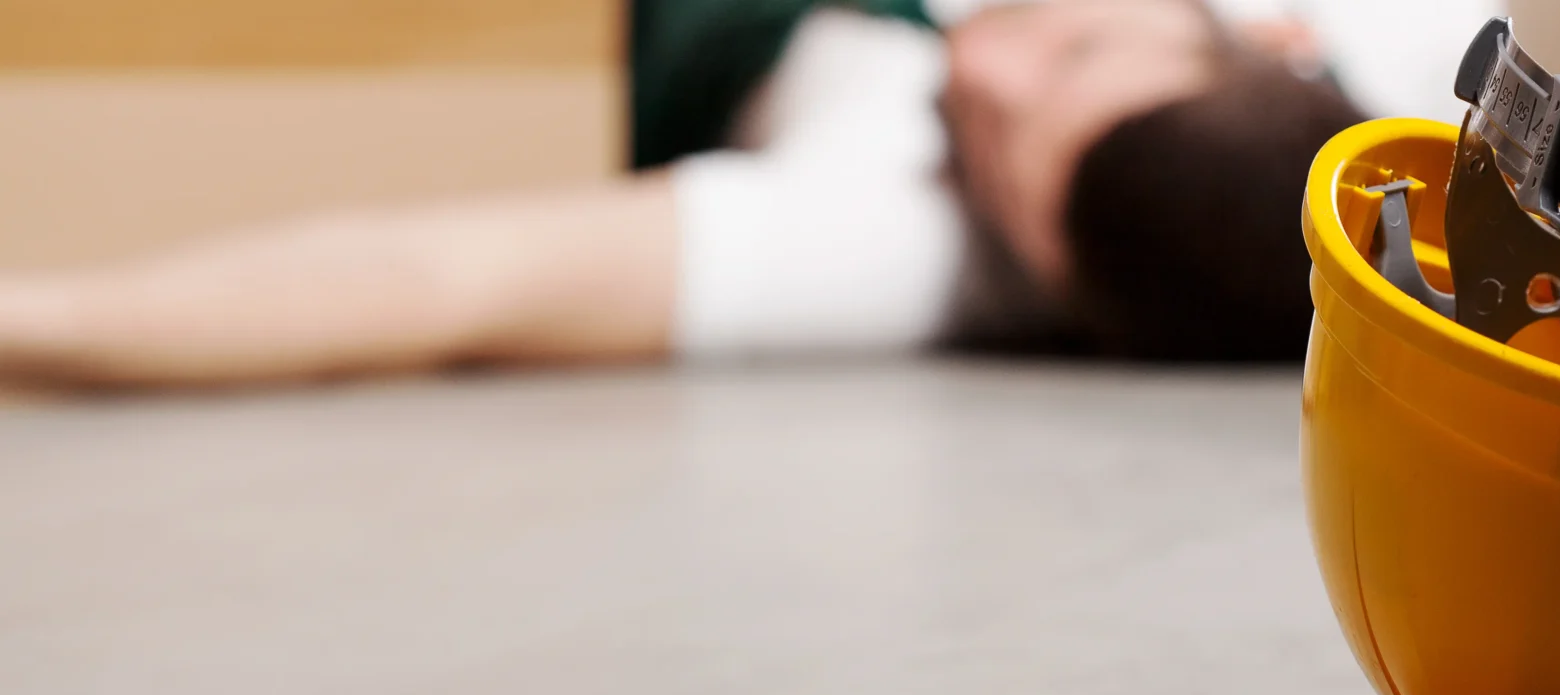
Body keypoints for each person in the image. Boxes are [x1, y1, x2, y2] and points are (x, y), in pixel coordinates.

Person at [0, 0, 1449, 389]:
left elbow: (448, 281)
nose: (987, 70)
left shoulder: (895, 246)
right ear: (1266, 33)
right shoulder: (1400, 44)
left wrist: (30, 321)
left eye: (1003, 157)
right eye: (1074, 45)